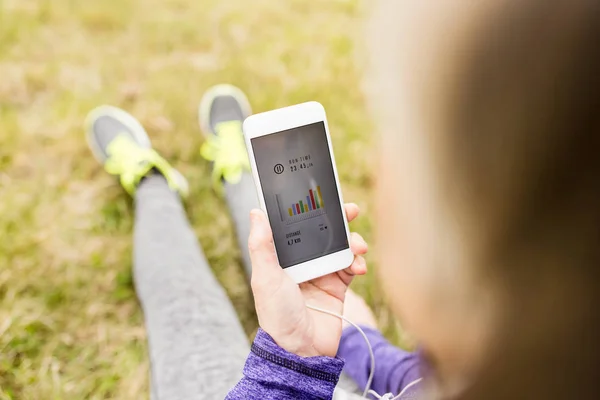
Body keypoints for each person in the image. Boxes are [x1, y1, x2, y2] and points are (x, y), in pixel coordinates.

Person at [86, 84, 403, 400]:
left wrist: (293, 363)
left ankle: (151, 181)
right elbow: (412, 377)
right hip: (345, 379)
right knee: (271, 226)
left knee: (183, 307)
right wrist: (363, 344)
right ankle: (238, 169)